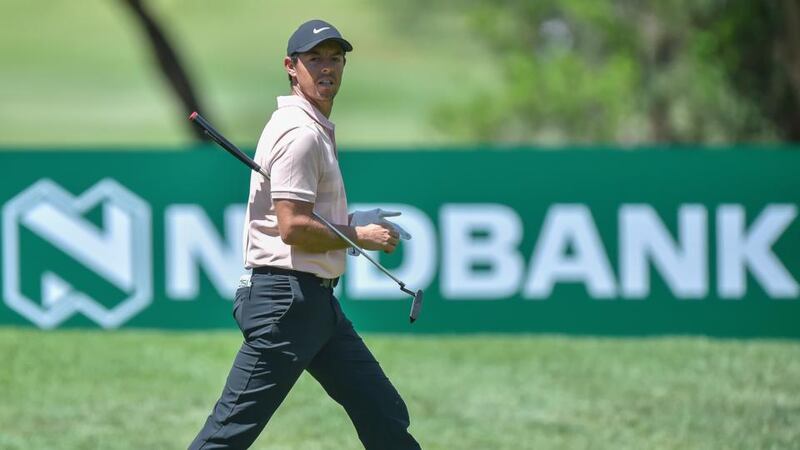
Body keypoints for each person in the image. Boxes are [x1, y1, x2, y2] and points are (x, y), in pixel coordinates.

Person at [188, 19, 421, 450]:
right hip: (286, 305)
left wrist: (350, 218)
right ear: (291, 67)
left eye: (335, 58)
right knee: (227, 435)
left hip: (312, 303)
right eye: (315, 59)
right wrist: (360, 234)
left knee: (382, 412)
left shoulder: (310, 126)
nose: (327, 68)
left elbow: (301, 215)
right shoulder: (300, 133)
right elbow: (293, 227)